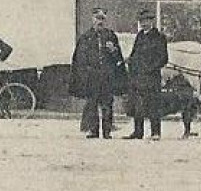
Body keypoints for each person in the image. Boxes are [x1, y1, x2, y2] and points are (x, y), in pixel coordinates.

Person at [72, 9, 125, 139]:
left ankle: (107, 131)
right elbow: (79, 59)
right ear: (92, 19)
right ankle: (93, 130)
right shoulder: (85, 37)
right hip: (92, 76)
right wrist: (84, 74)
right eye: (97, 18)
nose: (99, 22)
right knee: (92, 104)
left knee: (107, 104)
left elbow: (118, 57)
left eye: (102, 19)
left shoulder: (111, 36)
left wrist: (113, 50)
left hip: (107, 76)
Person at [126, 8, 170, 140]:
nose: (144, 24)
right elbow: (134, 54)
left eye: (147, 21)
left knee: (153, 105)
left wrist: (150, 68)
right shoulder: (139, 36)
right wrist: (130, 62)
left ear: (152, 21)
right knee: (137, 105)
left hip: (151, 77)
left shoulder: (159, 37)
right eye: (142, 21)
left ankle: (155, 132)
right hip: (138, 76)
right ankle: (138, 132)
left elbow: (163, 58)